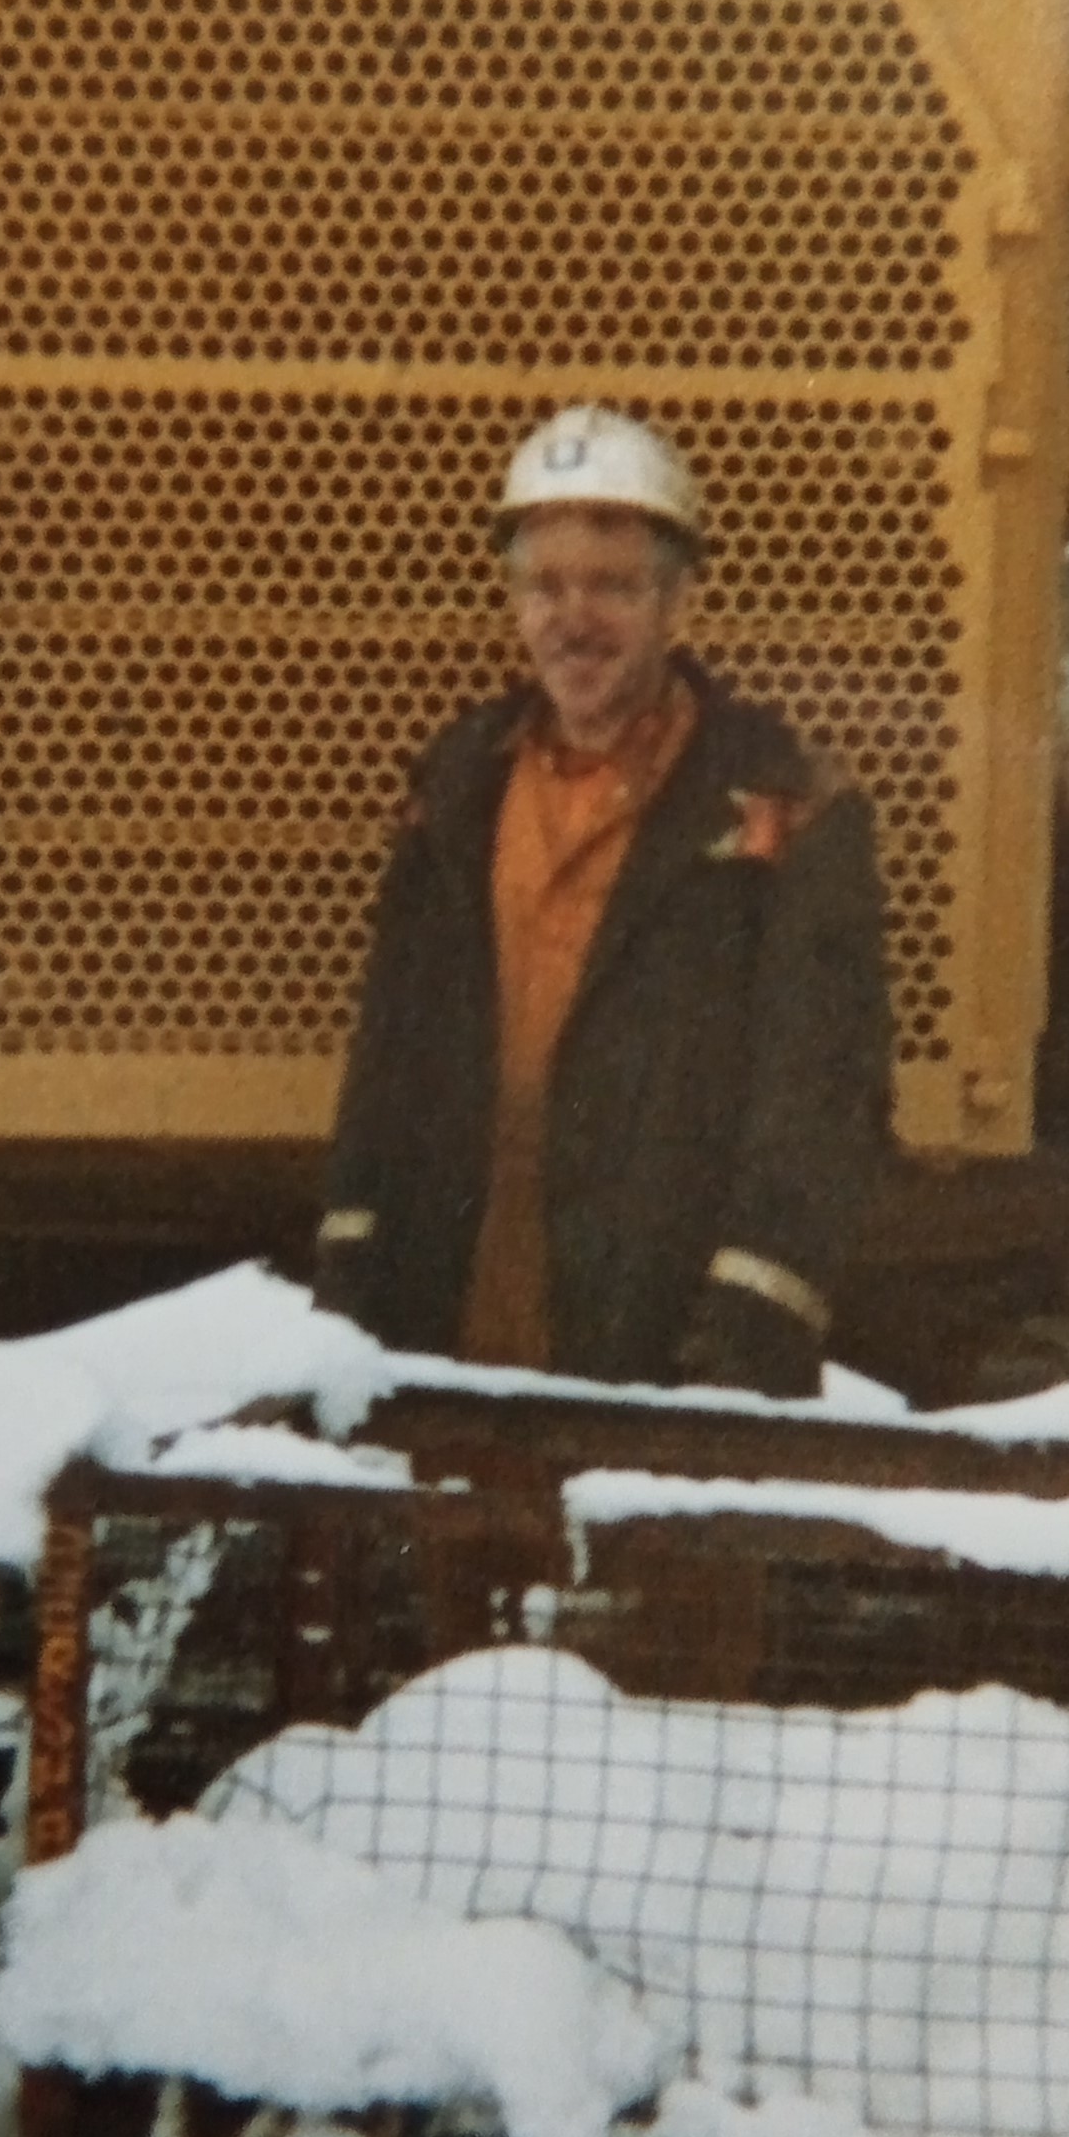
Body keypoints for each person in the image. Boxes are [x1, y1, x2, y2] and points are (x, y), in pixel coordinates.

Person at [313, 406, 890, 1399]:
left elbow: (821, 1093)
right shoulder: (454, 789)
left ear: (678, 603)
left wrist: (749, 1325)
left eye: (613, 586)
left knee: (639, 1556)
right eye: (546, 585)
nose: (574, 618)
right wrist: (349, 1276)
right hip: (454, 1309)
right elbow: (386, 1054)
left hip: (663, 1343)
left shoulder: (786, 803)